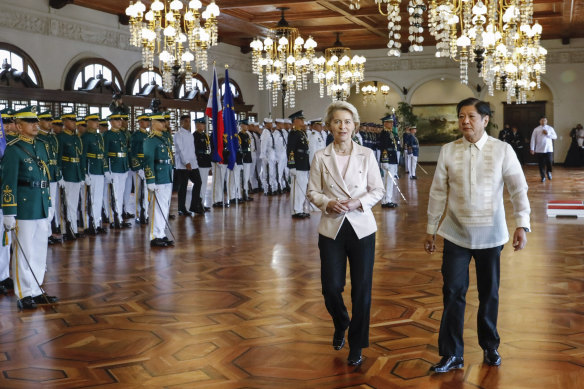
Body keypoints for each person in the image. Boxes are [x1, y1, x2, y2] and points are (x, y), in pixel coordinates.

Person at [425, 97, 530, 373]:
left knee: (489, 293)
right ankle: (451, 354)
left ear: (485, 120)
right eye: (461, 116)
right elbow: (437, 192)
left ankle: (490, 346)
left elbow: (518, 189)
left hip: (491, 235)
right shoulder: (448, 151)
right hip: (455, 233)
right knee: (452, 292)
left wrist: (522, 224)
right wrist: (431, 229)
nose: (465, 122)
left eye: (471, 116)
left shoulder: (503, 150)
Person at [307, 101, 384, 366]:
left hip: (362, 227)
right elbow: (312, 192)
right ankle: (341, 321)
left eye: (348, 122)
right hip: (331, 227)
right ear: (329, 126)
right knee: (331, 287)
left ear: (355, 126)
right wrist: (327, 203)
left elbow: (378, 190)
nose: (343, 126)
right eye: (337, 121)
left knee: (362, 289)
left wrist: (356, 203)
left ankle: (357, 344)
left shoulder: (366, 154)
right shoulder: (320, 156)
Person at [2, 106, 58, 310]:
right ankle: (24, 293)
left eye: (36, 121)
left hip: (41, 204)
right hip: (24, 207)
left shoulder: (41, 146)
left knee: (39, 250)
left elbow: (46, 176)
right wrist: (9, 211)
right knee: (24, 249)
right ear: (18, 125)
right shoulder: (13, 149)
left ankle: (36, 288)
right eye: (29, 121)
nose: (36, 124)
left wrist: (49, 203)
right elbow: (8, 182)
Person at [144, 112, 174, 247]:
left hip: (166, 174)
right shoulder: (150, 140)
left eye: (164, 121)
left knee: (165, 206)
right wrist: (150, 180)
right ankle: (154, 235)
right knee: (157, 207)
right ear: (153, 123)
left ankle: (161, 233)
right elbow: (148, 160)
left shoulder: (164, 138)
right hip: (157, 176)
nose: (164, 124)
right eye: (161, 121)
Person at [58, 112, 85, 240]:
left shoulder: (76, 138)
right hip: (67, 173)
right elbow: (58, 159)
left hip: (76, 174)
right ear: (64, 122)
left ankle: (73, 228)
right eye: (71, 120)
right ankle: (66, 230)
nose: (74, 123)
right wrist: (60, 175)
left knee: (74, 203)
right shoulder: (61, 138)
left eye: (75, 120)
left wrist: (82, 174)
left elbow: (80, 157)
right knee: (66, 203)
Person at [103, 110, 131, 229]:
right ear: (110, 122)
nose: (120, 122)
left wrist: (127, 165)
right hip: (113, 167)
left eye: (120, 120)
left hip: (123, 167)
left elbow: (125, 151)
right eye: (116, 120)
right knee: (114, 195)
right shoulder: (107, 135)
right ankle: (114, 218)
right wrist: (106, 169)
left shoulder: (122, 134)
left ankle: (119, 217)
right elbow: (104, 153)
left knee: (120, 193)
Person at [81, 113, 106, 235]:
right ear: (88, 122)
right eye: (94, 120)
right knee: (89, 199)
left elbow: (103, 154)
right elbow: (83, 156)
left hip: (99, 169)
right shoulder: (85, 137)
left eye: (97, 120)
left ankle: (96, 223)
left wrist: (105, 169)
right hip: (91, 170)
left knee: (98, 199)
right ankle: (87, 224)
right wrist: (85, 173)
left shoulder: (99, 136)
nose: (97, 122)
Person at [174, 114, 202, 216]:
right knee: (183, 187)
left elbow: (192, 150)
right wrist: (186, 162)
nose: (188, 123)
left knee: (198, 182)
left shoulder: (190, 135)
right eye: (186, 121)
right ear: (181, 122)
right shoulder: (178, 134)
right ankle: (181, 208)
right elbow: (180, 150)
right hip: (182, 165)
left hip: (193, 164)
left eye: (189, 121)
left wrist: (194, 162)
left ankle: (194, 205)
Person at [287, 111, 310, 218]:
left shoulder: (302, 133)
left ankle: (300, 208)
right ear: (295, 121)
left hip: (304, 164)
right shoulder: (293, 133)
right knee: (297, 188)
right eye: (301, 119)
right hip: (297, 165)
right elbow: (290, 150)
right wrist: (292, 165)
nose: (303, 121)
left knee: (302, 188)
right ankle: (296, 210)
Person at [130, 114, 151, 223]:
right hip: (139, 167)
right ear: (140, 122)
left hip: (147, 165)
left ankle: (146, 213)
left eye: (148, 120)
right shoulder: (136, 135)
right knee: (138, 192)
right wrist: (137, 168)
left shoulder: (149, 134)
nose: (148, 122)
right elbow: (133, 153)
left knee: (147, 191)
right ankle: (139, 214)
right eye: (145, 120)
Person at [379, 115, 399, 208]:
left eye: (392, 122)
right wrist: (384, 160)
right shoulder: (384, 133)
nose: (392, 124)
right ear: (385, 123)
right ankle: (386, 200)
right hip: (388, 160)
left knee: (390, 181)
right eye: (390, 122)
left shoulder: (390, 133)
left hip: (392, 160)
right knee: (387, 181)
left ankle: (387, 199)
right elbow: (384, 147)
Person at [530, 115, 557, 182]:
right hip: (539, 149)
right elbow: (533, 139)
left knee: (549, 162)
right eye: (542, 120)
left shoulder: (550, 128)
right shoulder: (536, 129)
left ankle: (548, 172)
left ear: (546, 121)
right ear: (540, 121)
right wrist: (532, 148)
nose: (543, 122)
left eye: (545, 120)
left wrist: (547, 134)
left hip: (549, 149)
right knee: (541, 164)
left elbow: (555, 137)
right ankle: (543, 176)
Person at [193, 118, 211, 211]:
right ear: (196, 125)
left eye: (204, 124)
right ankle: (198, 203)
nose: (203, 126)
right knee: (200, 184)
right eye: (201, 124)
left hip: (206, 162)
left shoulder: (205, 135)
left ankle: (202, 203)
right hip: (200, 162)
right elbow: (195, 150)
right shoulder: (195, 136)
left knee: (204, 184)